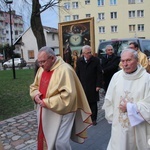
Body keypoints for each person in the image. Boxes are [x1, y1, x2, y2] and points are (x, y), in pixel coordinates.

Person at [30, 46, 92, 150]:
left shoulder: (65, 69)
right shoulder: (41, 70)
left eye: (43, 62)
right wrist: (35, 95)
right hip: (46, 112)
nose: (40, 65)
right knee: (49, 140)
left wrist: (47, 102)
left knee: (60, 143)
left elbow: (69, 96)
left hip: (64, 112)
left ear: (52, 58)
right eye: (39, 62)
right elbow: (34, 86)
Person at [102, 48, 150, 150]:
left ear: (137, 61)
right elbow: (109, 99)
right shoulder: (116, 77)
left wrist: (130, 107)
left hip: (138, 128)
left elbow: (148, 104)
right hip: (118, 125)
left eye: (129, 60)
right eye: (123, 61)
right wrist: (111, 116)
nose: (125, 64)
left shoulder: (146, 79)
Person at [76, 45, 103, 125]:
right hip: (83, 85)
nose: (89, 54)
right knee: (84, 103)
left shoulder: (96, 60)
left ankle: (93, 119)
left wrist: (98, 85)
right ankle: (85, 118)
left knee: (93, 103)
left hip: (93, 85)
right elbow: (77, 73)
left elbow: (99, 73)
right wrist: (77, 85)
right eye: (87, 53)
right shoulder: (79, 61)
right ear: (83, 53)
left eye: (90, 52)